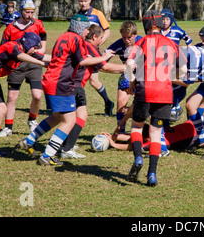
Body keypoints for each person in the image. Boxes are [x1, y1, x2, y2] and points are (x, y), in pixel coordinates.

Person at [15, 14, 115, 166]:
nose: (87, 31)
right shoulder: (75, 39)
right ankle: (47, 155)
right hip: (61, 83)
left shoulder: (63, 37)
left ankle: (29, 141)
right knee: (70, 121)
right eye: (86, 28)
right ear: (80, 28)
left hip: (51, 80)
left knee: (56, 117)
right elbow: (84, 61)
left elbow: (57, 59)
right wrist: (103, 57)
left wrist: (39, 56)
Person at [124, 10, 186, 186]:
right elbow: (182, 71)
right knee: (156, 134)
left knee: (136, 127)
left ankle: (138, 157)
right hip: (165, 93)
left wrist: (132, 81)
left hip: (144, 91)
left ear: (145, 26)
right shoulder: (171, 43)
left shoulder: (141, 42)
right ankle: (152, 174)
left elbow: (129, 64)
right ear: (160, 24)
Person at [59, 24, 125, 159]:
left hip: (72, 84)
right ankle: (66, 148)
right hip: (75, 85)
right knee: (79, 116)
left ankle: (64, 144)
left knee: (73, 117)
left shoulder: (84, 44)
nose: (101, 40)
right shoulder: (90, 47)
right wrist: (126, 67)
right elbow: (104, 67)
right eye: (101, 38)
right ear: (94, 36)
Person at [0, 0, 47, 137]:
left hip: (34, 63)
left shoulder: (38, 24)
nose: (30, 15)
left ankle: (32, 120)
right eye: (27, 12)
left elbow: (43, 35)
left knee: (37, 96)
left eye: (32, 12)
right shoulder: (11, 27)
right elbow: (3, 46)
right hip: (16, 65)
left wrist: (42, 49)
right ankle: (8, 127)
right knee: (12, 97)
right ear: (21, 11)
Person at [77, 0, 114, 116]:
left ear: (90, 0)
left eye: (85, 1)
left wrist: (98, 43)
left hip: (92, 52)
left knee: (91, 80)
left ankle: (108, 102)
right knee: (90, 80)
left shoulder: (97, 14)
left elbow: (107, 31)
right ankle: (108, 102)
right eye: (81, 1)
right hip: (80, 52)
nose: (83, 3)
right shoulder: (77, 15)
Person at [105, 21, 142, 134]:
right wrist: (104, 56)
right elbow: (105, 56)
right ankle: (121, 132)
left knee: (145, 106)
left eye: (129, 37)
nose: (126, 40)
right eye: (124, 37)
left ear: (135, 34)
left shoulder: (143, 42)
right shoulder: (119, 44)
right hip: (128, 74)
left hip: (144, 75)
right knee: (121, 102)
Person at [160, 8, 192, 122]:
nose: (164, 21)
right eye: (163, 19)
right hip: (162, 63)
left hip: (175, 63)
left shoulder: (177, 31)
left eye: (167, 19)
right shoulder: (158, 31)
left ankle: (173, 107)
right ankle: (176, 107)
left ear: (171, 20)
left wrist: (189, 53)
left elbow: (188, 39)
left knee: (173, 85)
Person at [102, 120, 198, 152]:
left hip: (194, 136)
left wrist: (114, 144)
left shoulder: (153, 140)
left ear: (147, 139)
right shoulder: (156, 131)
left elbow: (134, 146)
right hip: (192, 124)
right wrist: (113, 137)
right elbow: (134, 137)